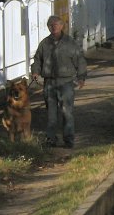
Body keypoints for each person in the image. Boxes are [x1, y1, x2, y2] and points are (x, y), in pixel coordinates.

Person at [30, 15, 87, 148]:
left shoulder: (70, 42)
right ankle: (51, 139)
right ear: (48, 27)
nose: (54, 27)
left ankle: (68, 139)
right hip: (49, 83)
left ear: (62, 26)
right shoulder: (44, 43)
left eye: (56, 24)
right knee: (51, 113)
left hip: (66, 82)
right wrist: (35, 71)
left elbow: (80, 60)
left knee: (67, 112)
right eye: (51, 25)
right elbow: (37, 59)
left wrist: (81, 77)